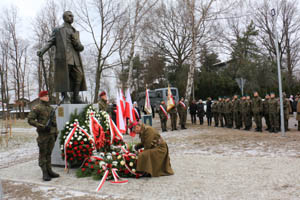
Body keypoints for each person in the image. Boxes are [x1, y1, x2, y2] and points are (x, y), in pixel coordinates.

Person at [37, 11, 87, 104]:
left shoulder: (74, 31)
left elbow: (81, 48)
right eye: (70, 16)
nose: (72, 17)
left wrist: (76, 43)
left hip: (75, 58)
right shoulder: (58, 29)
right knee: (64, 78)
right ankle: (65, 97)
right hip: (64, 58)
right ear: (64, 17)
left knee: (79, 75)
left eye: (72, 16)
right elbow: (50, 41)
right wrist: (42, 50)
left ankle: (75, 97)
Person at [28, 91, 59, 181]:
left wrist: (56, 133)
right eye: (45, 96)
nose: (47, 97)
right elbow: (30, 120)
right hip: (43, 135)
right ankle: (44, 173)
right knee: (43, 154)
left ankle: (50, 171)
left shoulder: (51, 108)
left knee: (49, 154)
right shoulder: (37, 108)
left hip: (52, 134)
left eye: (47, 95)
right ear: (41, 97)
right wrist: (42, 127)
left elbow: (54, 123)